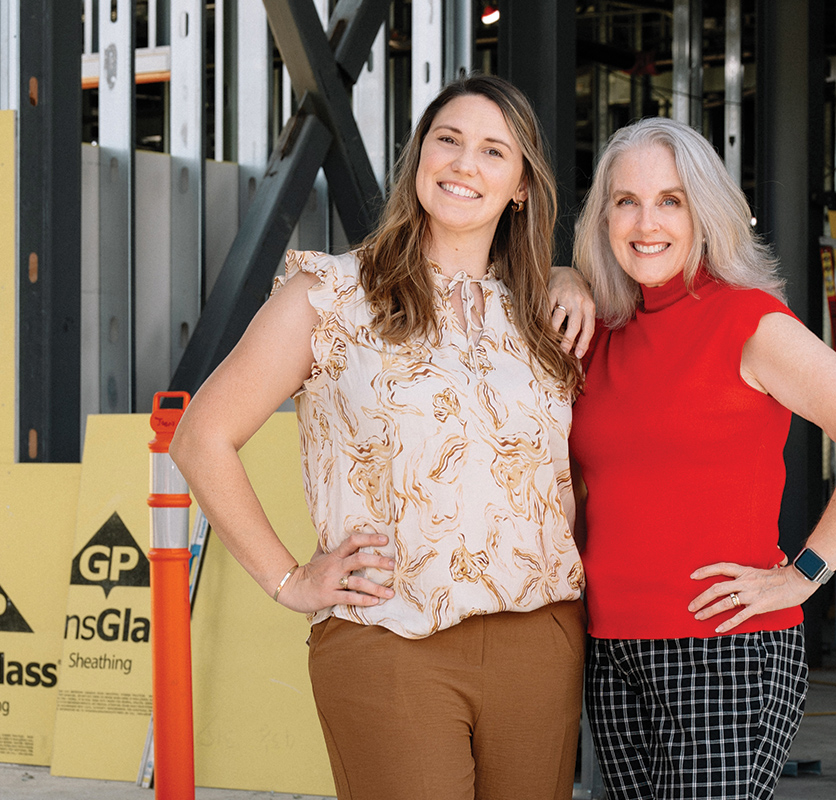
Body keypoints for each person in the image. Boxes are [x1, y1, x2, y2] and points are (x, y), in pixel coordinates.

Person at [171, 75, 596, 800]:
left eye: (494, 151)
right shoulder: (331, 296)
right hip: (390, 640)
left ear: (522, 186)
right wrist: (288, 579)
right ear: (419, 157)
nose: (464, 163)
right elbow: (200, 436)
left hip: (540, 642)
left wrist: (571, 276)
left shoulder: (543, 316)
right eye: (448, 140)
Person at [569, 117, 836, 799]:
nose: (646, 222)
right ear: (603, 217)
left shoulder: (747, 321)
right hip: (611, 648)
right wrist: (562, 277)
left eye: (671, 200)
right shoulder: (601, 332)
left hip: (721, 648)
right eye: (626, 200)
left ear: (705, 211)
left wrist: (804, 574)